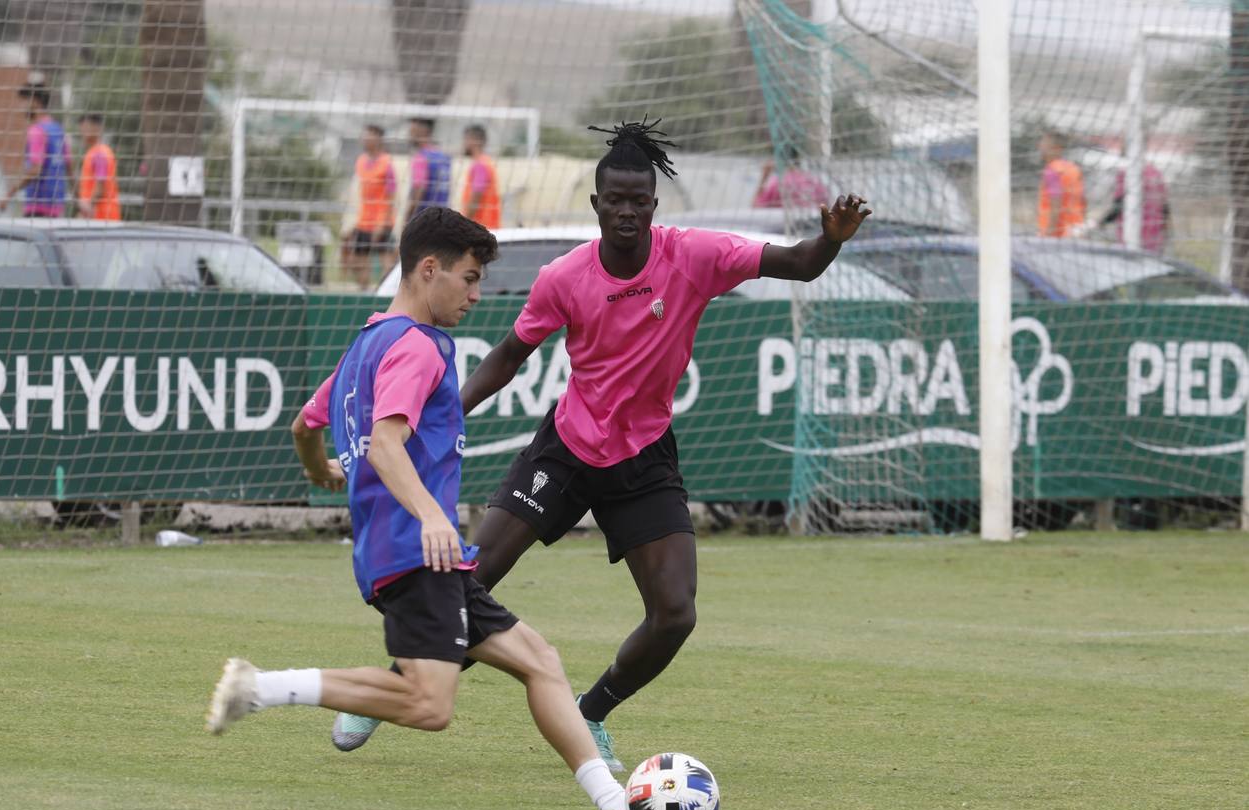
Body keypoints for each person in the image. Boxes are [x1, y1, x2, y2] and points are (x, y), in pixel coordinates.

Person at [328, 118, 872, 770]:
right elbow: (508, 357)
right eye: (613, 200)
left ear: (653, 205)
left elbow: (800, 264)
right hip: (565, 448)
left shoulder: (695, 256)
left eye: (637, 201)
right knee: (472, 577)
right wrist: (433, 414)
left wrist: (831, 240)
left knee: (676, 615)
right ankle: (392, 684)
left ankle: (592, 711)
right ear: (595, 204)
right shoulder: (565, 277)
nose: (625, 211)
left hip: (644, 457)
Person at [206, 206, 639, 810]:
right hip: (416, 551)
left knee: (540, 662)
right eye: (467, 278)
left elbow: (304, 424)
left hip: (418, 554)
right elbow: (385, 443)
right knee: (429, 704)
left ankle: (616, 807)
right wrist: (433, 516)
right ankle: (261, 687)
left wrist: (321, 470)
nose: (476, 293)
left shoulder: (366, 345)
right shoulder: (417, 346)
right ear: (427, 269)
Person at [0, 78, 73, 217]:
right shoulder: (58, 129)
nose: (21, 107)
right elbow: (69, 166)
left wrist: (9, 194)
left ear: (35, 102)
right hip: (56, 206)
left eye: (24, 102)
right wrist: (80, 200)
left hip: (38, 206)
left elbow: (35, 170)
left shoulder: (37, 130)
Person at [341, 124, 397, 290]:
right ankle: (365, 292)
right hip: (363, 221)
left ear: (379, 139)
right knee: (358, 261)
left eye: (369, 136)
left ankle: (385, 293)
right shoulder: (361, 161)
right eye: (363, 136)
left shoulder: (387, 163)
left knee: (387, 261)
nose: (364, 139)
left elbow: (391, 195)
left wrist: (383, 223)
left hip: (382, 221)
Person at [1097, 163, 1170, 255]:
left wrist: (1102, 221)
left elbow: (1119, 204)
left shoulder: (1127, 173)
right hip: (1155, 234)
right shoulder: (1156, 172)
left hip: (1131, 232)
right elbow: (1165, 205)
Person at [1037, 132, 1085, 239]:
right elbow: (1083, 200)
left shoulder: (1052, 170)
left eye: (1044, 146)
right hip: (1076, 229)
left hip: (1058, 232)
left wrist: (1048, 233)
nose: (1040, 148)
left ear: (1057, 149)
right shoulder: (1073, 168)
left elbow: (1056, 205)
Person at [76, 114, 120, 221]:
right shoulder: (98, 151)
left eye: (87, 127)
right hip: (102, 216)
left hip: (100, 217)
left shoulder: (99, 153)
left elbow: (101, 187)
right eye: (82, 128)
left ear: (98, 128)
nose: (83, 132)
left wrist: (86, 209)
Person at [405, 117, 451, 220]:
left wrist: (408, 218)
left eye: (412, 131)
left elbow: (419, 191)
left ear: (423, 131)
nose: (409, 135)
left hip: (425, 221)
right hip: (445, 218)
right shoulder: (444, 157)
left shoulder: (421, 157)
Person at [752, 149, 828, 211]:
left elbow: (755, 207)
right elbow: (827, 208)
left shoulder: (777, 183)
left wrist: (764, 177)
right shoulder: (814, 181)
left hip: (783, 228)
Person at [460, 123, 501, 229]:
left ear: (473, 140)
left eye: (465, 140)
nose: (464, 144)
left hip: (481, 228)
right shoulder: (486, 162)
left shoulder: (480, 165)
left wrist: (462, 226)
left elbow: (475, 199)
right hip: (488, 227)